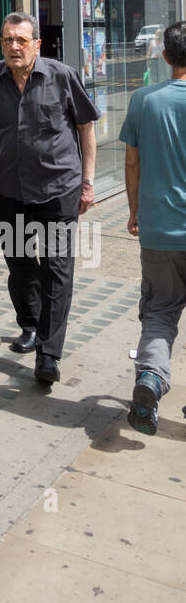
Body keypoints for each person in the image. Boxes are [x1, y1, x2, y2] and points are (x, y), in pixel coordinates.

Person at [0, 11, 98, 385]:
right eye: (8, 40)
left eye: (21, 40)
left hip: (59, 191)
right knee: (21, 265)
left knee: (56, 269)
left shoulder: (61, 75)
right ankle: (30, 324)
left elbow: (86, 128)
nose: (14, 46)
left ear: (36, 44)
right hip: (11, 190)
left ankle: (49, 353)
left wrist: (88, 182)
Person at [120, 22, 186, 435]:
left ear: (164, 57)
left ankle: (150, 378)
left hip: (160, 228)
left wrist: (134, 211)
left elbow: (131, 163)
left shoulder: (143, 100)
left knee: (160, 311)